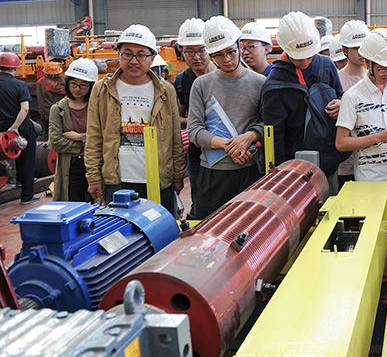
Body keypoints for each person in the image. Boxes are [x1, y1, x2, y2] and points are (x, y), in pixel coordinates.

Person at [85, 24, 186, 214]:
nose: (133, 60)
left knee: (159, 230)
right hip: (117, 180)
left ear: (152, 58)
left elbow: (174, 137)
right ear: (119, 55)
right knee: (121, 232)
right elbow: (94, 136)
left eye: (141, 55)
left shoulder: (165, 91)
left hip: (157, 179)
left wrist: (178, 175)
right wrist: (93, 177)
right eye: (127, 54)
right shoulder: (102, 89)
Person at [187, 16, 266, 219]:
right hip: (212, 174)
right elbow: (194, 130)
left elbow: (267, 124)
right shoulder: (201, 85)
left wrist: (249, 138)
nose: (227, 59)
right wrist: (230, 145)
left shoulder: (260, 83)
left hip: (249, 170)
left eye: (231, 51)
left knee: (250, 227)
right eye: (219, 55)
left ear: (240, 46)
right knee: (209, 228)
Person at [262, 11, 343, 194]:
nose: (305, 62)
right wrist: (281, 176)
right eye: (299, 58)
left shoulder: (326, 66)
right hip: (294, 170)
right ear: (286, 50)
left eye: (310, 55)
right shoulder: (275, 84)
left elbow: (340, 96)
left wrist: (341, 104)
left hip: (328, 161)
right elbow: (274, 135)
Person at [335, 28, 387, 219]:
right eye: (383, 69)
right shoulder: (352, 97)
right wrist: (379, 137)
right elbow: (341, 143)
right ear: (367, 63)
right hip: (369, 184)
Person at [173, 18, 216, 218]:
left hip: (226, 150)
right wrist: (195, 124)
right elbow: (177, 117)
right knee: (200, 204)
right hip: (197, 151)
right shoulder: (182, 80)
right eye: (189, 51)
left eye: (201, 50)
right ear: (181, 51)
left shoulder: (225, 74)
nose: (196, 57)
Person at [48, 58, 98, 201]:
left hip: (95, 164)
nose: (77, 88)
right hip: (72, 165)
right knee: (74, 205)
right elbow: (55, 142)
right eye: (74, 83)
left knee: (99, 206)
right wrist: (87, 142)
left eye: (83, 85)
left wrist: (79, 137)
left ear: (91, 86)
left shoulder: (97, 107)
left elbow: (104, 135)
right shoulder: (58, 109)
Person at [0, 52, 38, 204]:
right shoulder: (19, 85)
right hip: (20, 126)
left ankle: (19, 180)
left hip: (1, 126)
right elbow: (25, 109)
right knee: (27, 157)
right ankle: (27, 195)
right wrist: (14, 128)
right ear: (15, 68)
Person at [336, 20, 369, 187]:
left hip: (371, 162)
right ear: (344, 50)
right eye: (356, 48)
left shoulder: (375, 79)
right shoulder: (336, 81)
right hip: (346, 164)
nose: (361, 52)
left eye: (364, 46)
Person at [36, 61, 66, 139]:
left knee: (46, 131)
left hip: (43, 111)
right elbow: (65, 91)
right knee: (55, 132)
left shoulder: (40, 81)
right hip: (52, 112)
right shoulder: (53, 84)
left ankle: (45, 144)